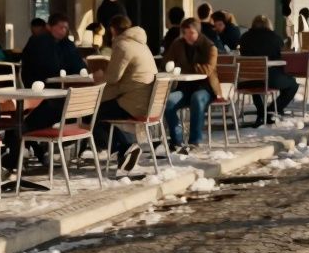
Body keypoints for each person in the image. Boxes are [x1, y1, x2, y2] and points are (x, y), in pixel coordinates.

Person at [13, 13, 86, 170]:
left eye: (66, 28)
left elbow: (78, 66)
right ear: (49, 27)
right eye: (60, 27)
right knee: (25, 125)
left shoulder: (66, 44)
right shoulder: (40, 42)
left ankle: (22, 154)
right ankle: (32, 151)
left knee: (24, 127)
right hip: (38, 92)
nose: (64, 31)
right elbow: (47, 67)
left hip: (57, 97)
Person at [95, 15, 154, 173]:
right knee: (100, 111)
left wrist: (100, 76)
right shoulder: (141, 44)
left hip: (134, 103)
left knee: (92, 114)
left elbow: (113, 78)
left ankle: (125, 148)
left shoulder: (123, 45)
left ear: (113, 29)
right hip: (148, 102)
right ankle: (124, 151)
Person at [162, 17, 221, 155]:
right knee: (168, 102)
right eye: (185, 32)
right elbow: (167, 61)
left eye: (191, 32)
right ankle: (176, 141)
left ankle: (195, 140)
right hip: (184, 87)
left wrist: (185, 67)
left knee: (197, 98)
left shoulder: (209, 47)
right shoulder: (178, 44)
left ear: (198, 32)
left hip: (205, 87)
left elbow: (207, 70)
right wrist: (172, 66)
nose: (188, 35)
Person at [238, 15, 299, 127]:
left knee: (255, 82)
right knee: (293, 84)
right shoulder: (275, 38)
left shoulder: (244, 38)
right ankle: (271, 110)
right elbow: (281, 56)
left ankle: (262, 112)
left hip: (246, 80)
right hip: (270, 78)